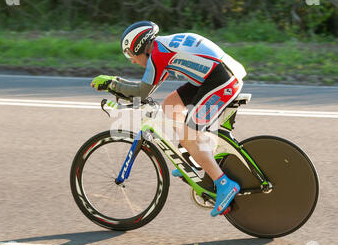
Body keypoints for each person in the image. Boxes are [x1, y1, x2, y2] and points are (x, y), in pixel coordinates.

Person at [90, 20, 247, 217]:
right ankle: (194, 158)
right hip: (212, 77)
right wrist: (118, 83)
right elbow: (145, 88)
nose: (131, 60)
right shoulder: (160, 48)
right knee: (171, 104)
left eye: (130, 54)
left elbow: (142, 92)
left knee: (190, 136)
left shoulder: (158, 54)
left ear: (140, 46)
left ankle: (224, 184)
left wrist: (112, 85)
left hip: (221, 80)